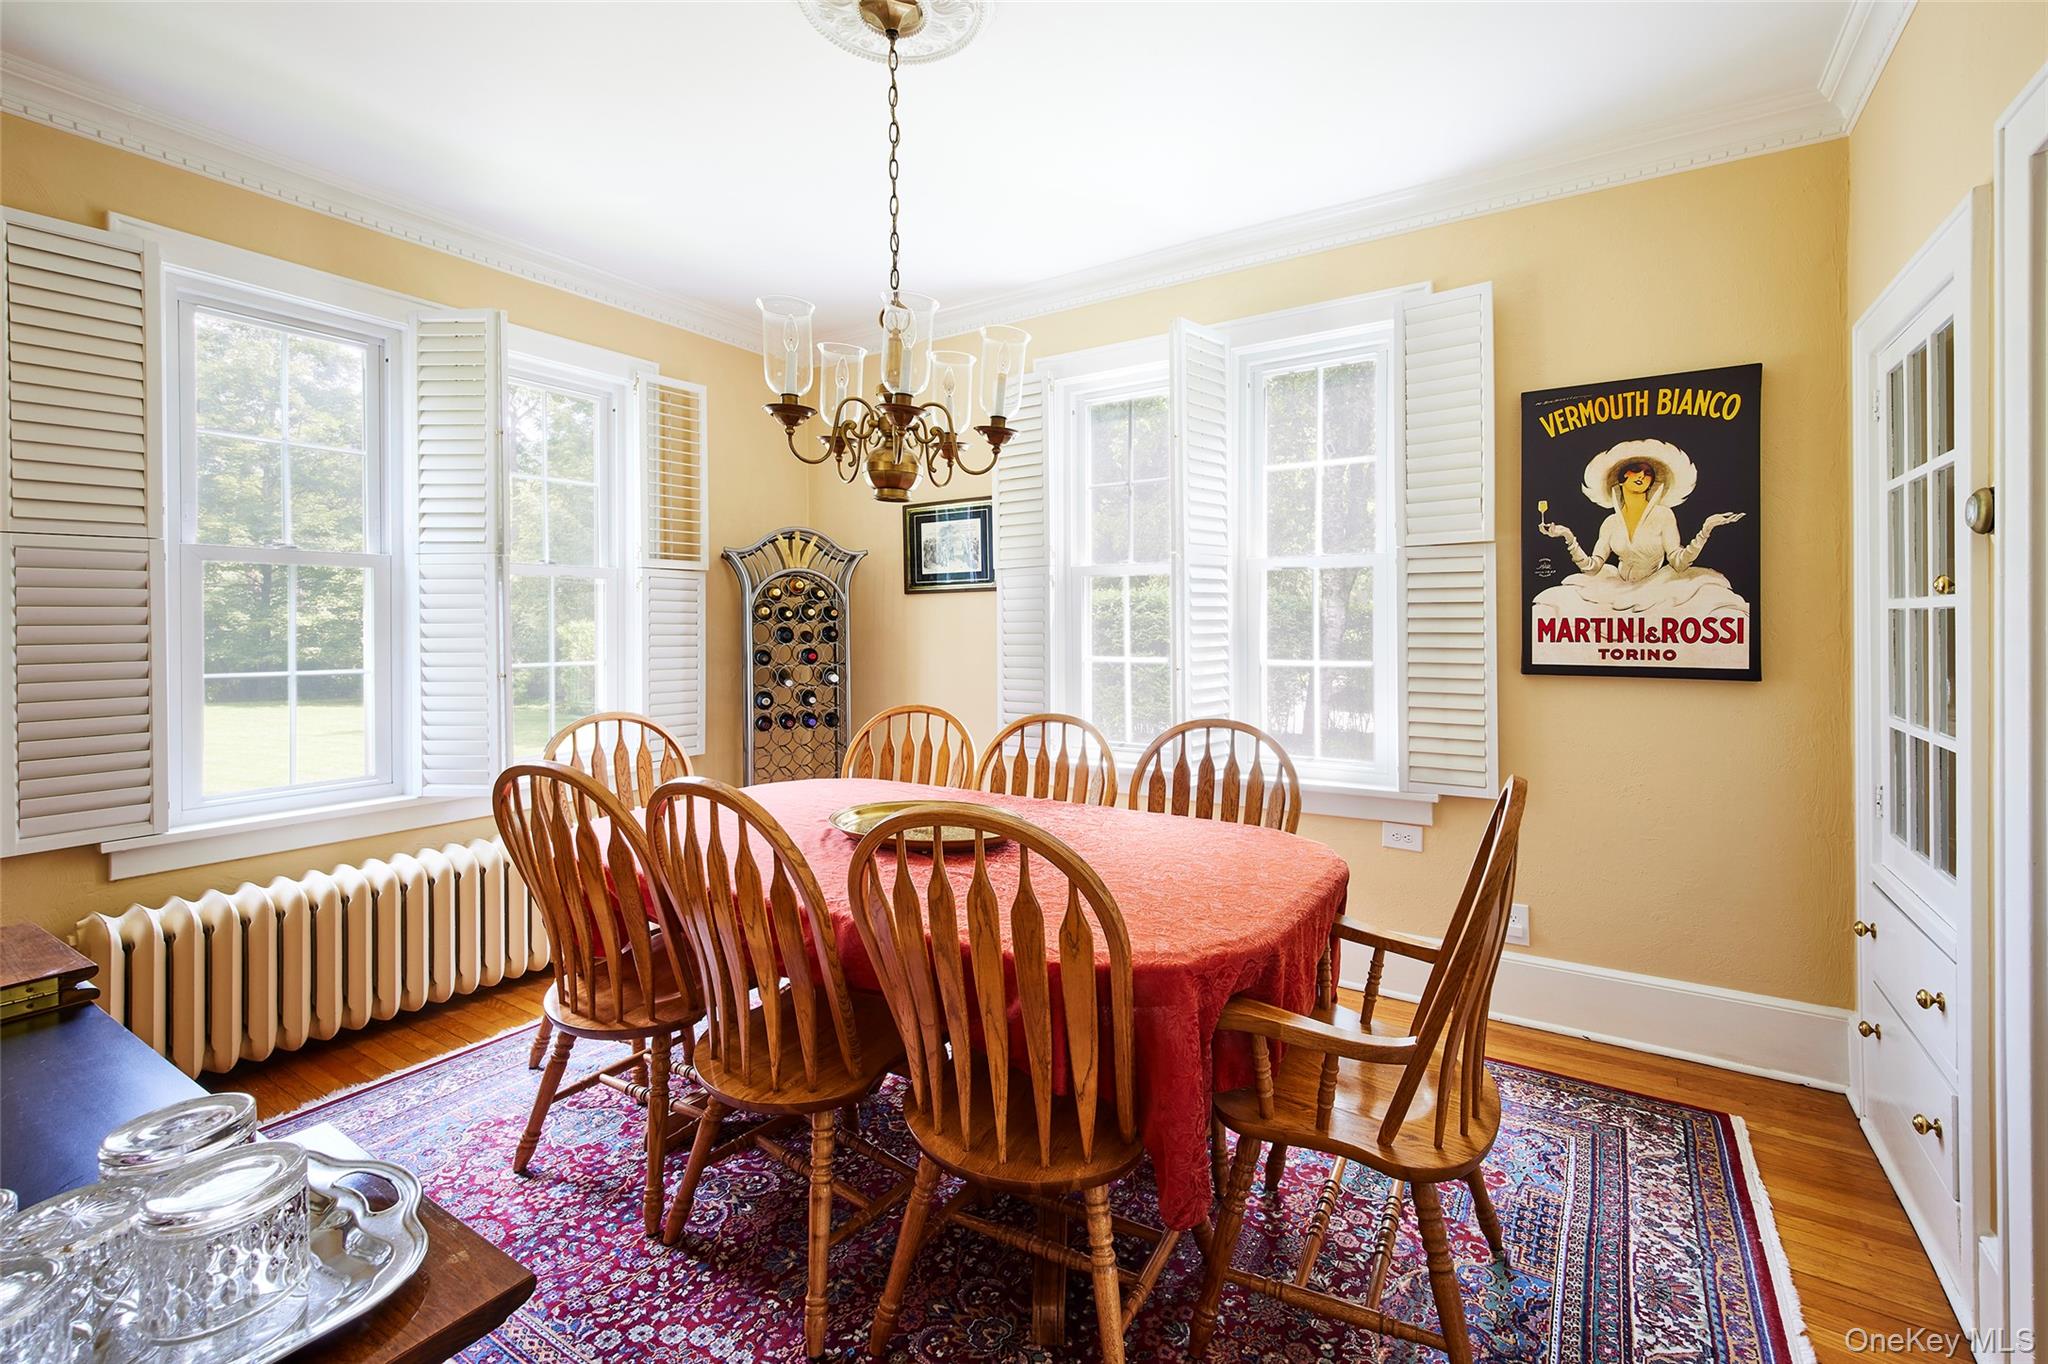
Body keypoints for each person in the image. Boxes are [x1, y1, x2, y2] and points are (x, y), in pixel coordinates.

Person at [1533, 437, 1748, 624]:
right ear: (1622, 477)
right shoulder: (1610, 522)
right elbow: (1592, 567)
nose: (1642, 476)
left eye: (1648, 473)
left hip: (1657, 587)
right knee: (1555, 606)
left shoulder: (1664, 515)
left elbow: (1679, 563)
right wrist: (1568, 537)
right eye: (1635, 470)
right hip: (1615, 587)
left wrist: (1706, 529)